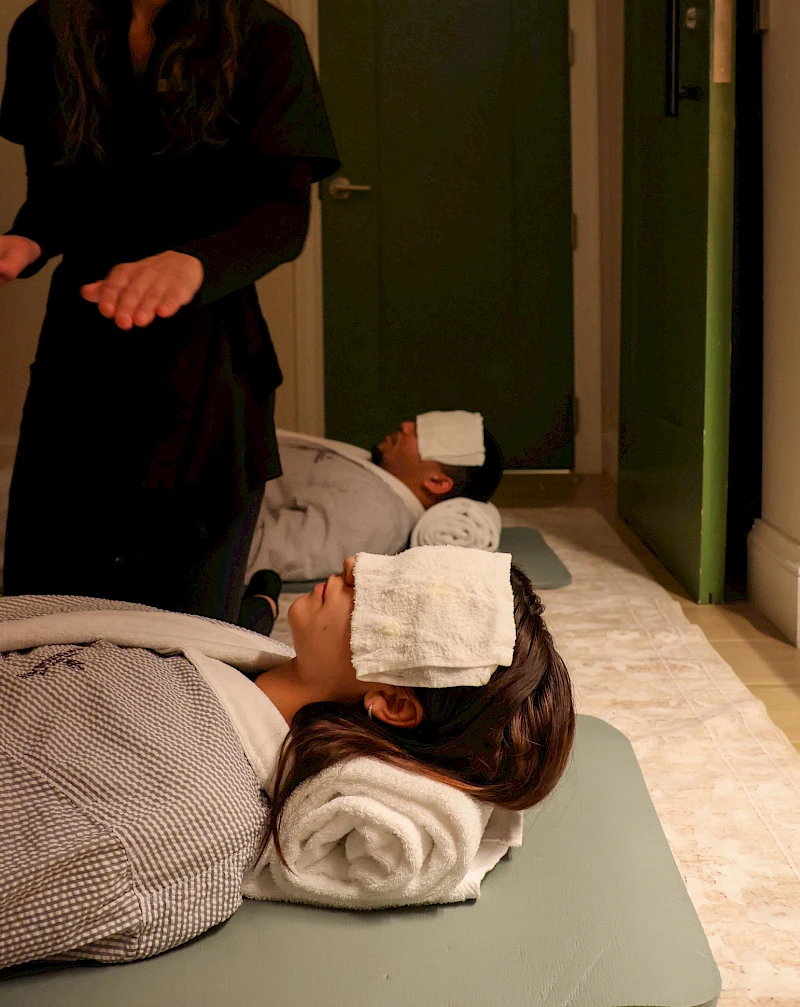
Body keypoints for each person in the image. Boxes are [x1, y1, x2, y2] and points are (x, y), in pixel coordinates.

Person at [0, 556, 575, 969]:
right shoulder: (226, 655)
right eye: (396, 564)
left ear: (395, 704)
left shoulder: (176, 817)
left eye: (398, 597)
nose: (355, 564)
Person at [0, 0, 340, 622]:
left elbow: (282, 217)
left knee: (183, 633)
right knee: (39, 616)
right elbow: (54, 192)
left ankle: (247, 611)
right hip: (78, 359)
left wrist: (193, 264)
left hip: (208, 365)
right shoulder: (44, 30)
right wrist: (28, 239)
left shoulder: (266, 38)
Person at [246, 419, 505, 583]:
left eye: (425, 435)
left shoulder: (372, 514)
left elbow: (253, 554)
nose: (405, 425)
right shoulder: (375, 479)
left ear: (437, 482)